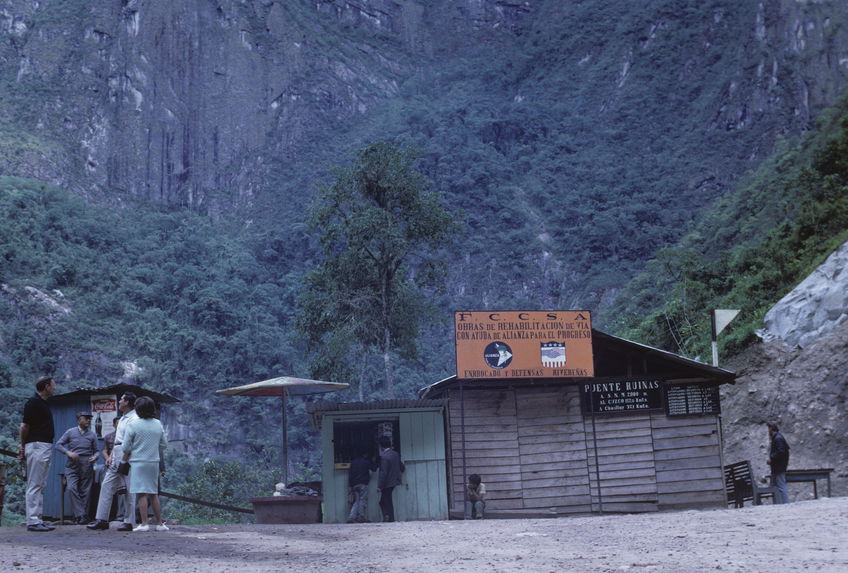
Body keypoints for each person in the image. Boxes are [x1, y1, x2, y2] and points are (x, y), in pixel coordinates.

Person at [87, 392, 139, 531]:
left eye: (121, 399)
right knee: (106, 485)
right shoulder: (122, 418)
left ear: (127, 402)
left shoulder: (134, 418)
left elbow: (131, 441)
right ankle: (102, 519)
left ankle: (129, 521)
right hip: (116, 451)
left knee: (129, 488)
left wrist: (124, 459)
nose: (119, 402)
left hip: (126, 453)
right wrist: (112, 455)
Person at [121, 396, 168, 532]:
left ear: (138, 409)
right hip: (154, 462)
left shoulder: (133, 424)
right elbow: (164, 445)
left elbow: (125, 448)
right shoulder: (157, 423)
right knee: (153, 493)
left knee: (141, 494)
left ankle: (144, 523)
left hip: (138, 462)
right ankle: (159, 524)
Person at [19, 376, 57, 532]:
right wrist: (22, 445)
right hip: (36, 446)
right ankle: (33, 520)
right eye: (53, 385)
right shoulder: (33, 403)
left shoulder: (42, 403)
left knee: (40, 484)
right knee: (34, 484)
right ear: (46, 386)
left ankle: (38, 519)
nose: (55, 388)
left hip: (43, 446)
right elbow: (24, 426)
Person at [55, 412, 100, 524]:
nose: (89, 421)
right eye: (86, 419)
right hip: (72, 464)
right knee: (71, 488)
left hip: (87, 464)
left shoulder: (92, 434)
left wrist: (95, 457)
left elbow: (97, 451)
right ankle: (81, 514)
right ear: (79, 420)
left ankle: (82, 518)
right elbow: (58, 445)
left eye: (90, 419)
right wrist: (68, 453)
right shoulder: (70, 432)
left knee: (86, 491)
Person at [377, 436, 403, 522]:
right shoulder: (395, 454)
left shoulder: (384, 457)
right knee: (386, 500)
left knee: (385, 501)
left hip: (387, 482)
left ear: (381, 446)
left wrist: (380, 486)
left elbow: (383, 472)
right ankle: (388, 517)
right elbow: (401, 466)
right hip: (394, 480)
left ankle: (389, 518)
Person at [347, 450, 374, 523]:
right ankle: (361, 517)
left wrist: (350, 486)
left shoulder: (353, 463)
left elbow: (350, 475)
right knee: (362, 500)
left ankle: (351, 517)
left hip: (354, 484)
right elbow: (373, 468)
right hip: (363, 484)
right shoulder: (365, 462)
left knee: (356, 501)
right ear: (364, 455)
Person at [767, 421, 791, 504]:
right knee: (776, 486)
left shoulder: (778, 438)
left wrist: (772, 458)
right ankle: (779, 503)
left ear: (771, 428)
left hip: (779, 466)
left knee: (781, 485)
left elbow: (781, 451)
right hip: (778, 466)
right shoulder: (778, 438)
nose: (768, 431)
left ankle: (785, 503)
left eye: (768, 428)